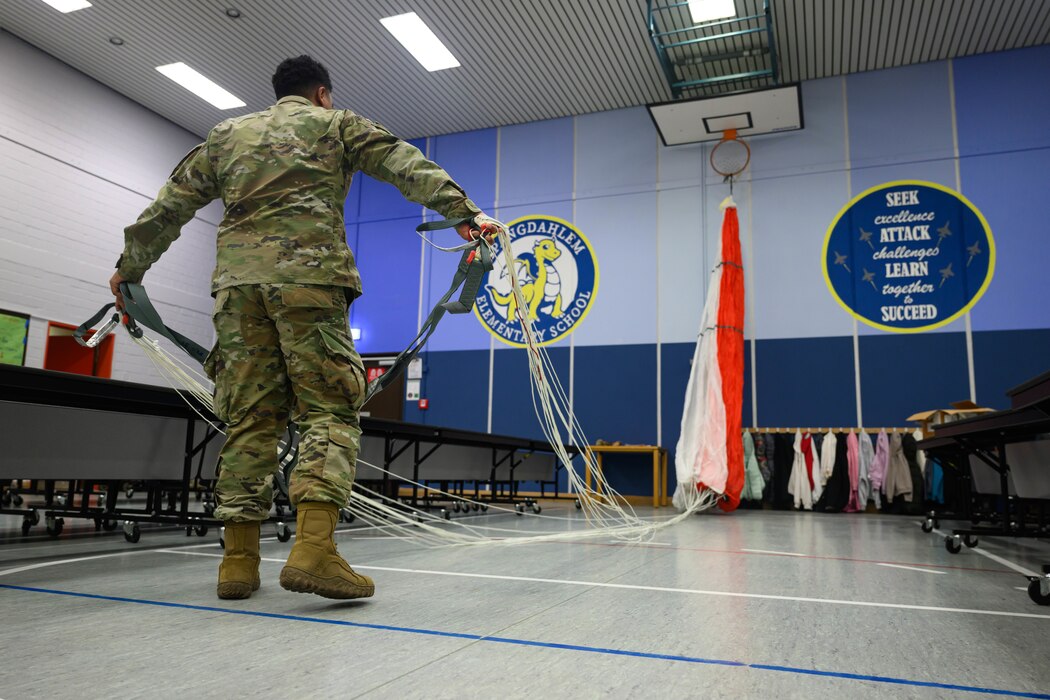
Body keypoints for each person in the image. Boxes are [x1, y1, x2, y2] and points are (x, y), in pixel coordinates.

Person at [109, 55, 497, 601]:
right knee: (329, 411)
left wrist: (130, 270)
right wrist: (464, 213)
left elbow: (168, 207)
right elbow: (403, 162)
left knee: (249, 420)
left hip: (239, 291)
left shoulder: (225, 135)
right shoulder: (337, 124)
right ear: (322, 93)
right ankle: (314, 550)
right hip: (311, 282)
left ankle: (238, 564)